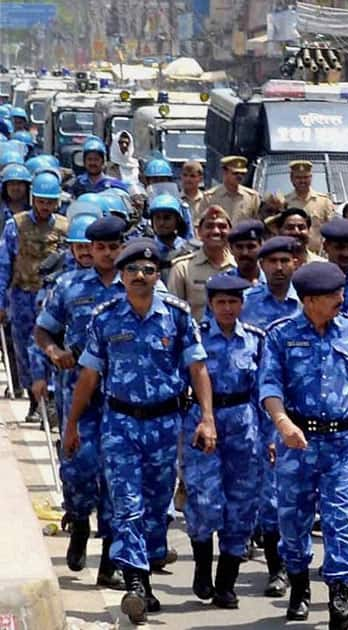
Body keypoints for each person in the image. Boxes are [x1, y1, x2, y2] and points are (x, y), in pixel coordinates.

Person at [63, 238, 213, 625]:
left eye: (148, 270)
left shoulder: (178, 316)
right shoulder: (106, 316)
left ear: (156, 275)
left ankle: (143, 578)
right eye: (132, 270)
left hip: (165, 424)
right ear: (123, 276)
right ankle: (134, 585)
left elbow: (197, 369)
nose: (140, 276)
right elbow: (89, 375)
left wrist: (207, 417)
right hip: (120, 423)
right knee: (127, 503)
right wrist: (72, 423)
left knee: (155, 506)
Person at [258, 261, 348, 628]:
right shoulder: (281, 335)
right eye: (333, 295)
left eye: (342, 292)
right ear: (310, 299)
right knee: (294, 522)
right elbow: (269, 387)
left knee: (341, 520)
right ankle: (299, 587)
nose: (341, 299)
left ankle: (339, 602)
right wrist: (282, 424)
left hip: (344, 442)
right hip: (298, 443)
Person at [34, 215, 128, 588]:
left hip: (121, 398)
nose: (106, 254)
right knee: (77, 470)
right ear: (89, 249)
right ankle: (78, 521)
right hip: (77, 397)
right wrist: (54, 351)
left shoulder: (135, 286)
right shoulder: (69, 286)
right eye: (99, 247)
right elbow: (43, 329)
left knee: (116, 480)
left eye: (112, 247)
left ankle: (109, 559)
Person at [184, 274, 266, 610]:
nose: (228, 308)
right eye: (222, 302)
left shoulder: (256, 340)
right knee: (205, 501)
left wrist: (270, 435)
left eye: (234, 302)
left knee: (241, 504)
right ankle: (203, 568)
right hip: (204, 424)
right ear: (211, 305)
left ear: (242, 304)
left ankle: (226, 583)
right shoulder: (196, 338)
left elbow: (265, 388)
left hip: (244, 424)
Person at [240, 235, 303, 597]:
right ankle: (277, 568)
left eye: (285, 260)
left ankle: (299, 562)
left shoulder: (308, 302)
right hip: (259, 412)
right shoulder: (247, 303)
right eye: (272, 261)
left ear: (295, 263)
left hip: (303, 409)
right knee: (271, 493)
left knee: (298, 494)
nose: (279, 268)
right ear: (261, 266)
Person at [0, 171, 68, 415]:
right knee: (22, 348)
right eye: (41, 201)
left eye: (50, 202)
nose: (45, 207)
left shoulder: (64, 227)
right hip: (22, 295)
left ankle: (48, 397)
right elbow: (4, 263)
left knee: (44, 347)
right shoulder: (15, 225)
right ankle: (32, 395)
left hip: (51, 297)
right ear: (33, 199)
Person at [167, 206, 236, 321]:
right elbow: (174, 314)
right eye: (209, 226)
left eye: (222, 227)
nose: (216, 231)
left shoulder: (239, 266)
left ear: (231, 231)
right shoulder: (182, 268)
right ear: (199, 232)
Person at [285, 160, 336, 253]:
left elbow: (332, 229)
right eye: (298, 177)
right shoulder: (285, 202)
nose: (302, 181)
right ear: (291, 178)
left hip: (318, 255)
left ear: (311, 178)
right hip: (292, 254)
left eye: (306, 177)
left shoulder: (324, 202)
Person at [203, 156, 261, 224]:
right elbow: (200, 224)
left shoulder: (252, 197)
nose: (239, 176)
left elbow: (258, 224)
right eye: (235, 173)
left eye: (242, 174)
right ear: (224, 172)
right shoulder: (209, 197)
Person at [225, 220, 266, 285]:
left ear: (261, 247)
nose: (245, 253)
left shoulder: (272, 281)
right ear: (231, 249)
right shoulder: (223, 283)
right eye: (239, 247)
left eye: (251, 247)